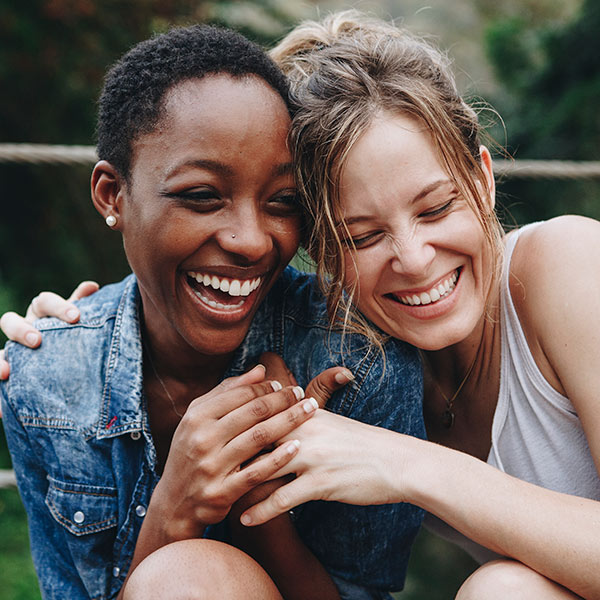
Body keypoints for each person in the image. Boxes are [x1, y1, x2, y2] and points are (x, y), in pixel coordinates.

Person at [6, 10, 599, 600]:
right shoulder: (368, 349)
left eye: (437, 208)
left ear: (484, 179)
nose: (415, 260)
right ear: (319, 250)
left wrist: (410, 465)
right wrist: (79, 336)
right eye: (362, 236)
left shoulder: (567, 264)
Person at [0, 23, 425, 600]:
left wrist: (261, 501)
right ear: (112, 195)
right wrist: (174, 509)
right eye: (202, 196)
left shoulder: (359, 361)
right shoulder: (44, 380)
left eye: (283, 202)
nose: (252, 241)